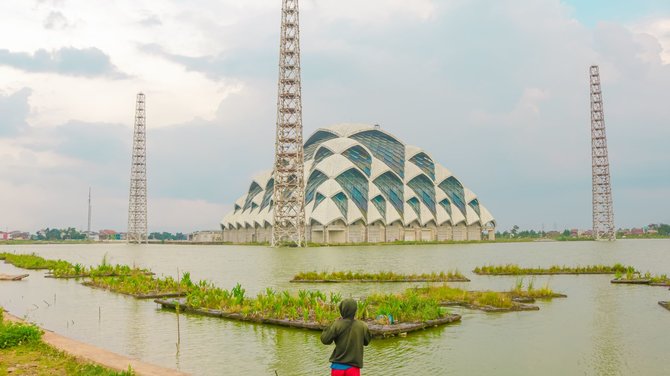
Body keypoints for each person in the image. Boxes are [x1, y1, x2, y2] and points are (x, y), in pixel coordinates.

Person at [320, 298, 372, 376]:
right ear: (355, 310)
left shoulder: (337, 324)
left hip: (338, 367)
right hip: (353, 368)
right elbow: (367, 341)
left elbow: (325, 340)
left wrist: (333, 323)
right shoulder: (362, 325)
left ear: (342, 310)